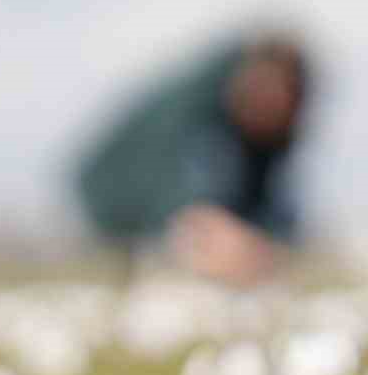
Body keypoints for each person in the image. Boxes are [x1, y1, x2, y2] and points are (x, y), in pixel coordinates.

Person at [74, 31, 311, 285]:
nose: (268, 107)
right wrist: (209, 228)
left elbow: (273, 205)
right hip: (115, 196)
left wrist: (268, 241)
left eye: (278, 102)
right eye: (263, 95)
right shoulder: (196, 114)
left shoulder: (266, 137)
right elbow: (182, 191)